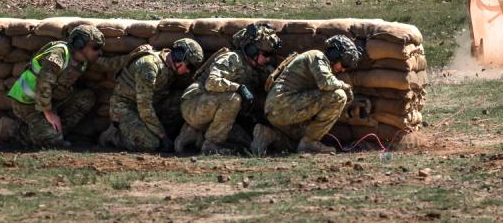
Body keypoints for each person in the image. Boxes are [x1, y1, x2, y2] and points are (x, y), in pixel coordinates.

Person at [0, 25, 132, 148]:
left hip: (52, 101)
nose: (99, 52)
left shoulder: (82, 59)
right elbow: (44, 84)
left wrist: (133, 56)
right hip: (27, 103)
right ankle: (10, 129)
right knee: (52, 143)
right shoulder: (58, 55)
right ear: (80, 44)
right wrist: (48, 113)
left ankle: (56, 131)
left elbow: (107, 64)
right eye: (95, 47)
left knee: (87, 97)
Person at [175, 24, 281, 154]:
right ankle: (211, 144)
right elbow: (211, 83)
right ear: (251, 50)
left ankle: (192, 133)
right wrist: (239, 88)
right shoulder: (232, 59)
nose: (268, 59)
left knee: (244, 142)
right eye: (266, 54)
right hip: (193, 103)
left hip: (209, 108)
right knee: (233, 99)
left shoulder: (254, 67)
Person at [253, 35, 361, 154]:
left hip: (279, 110)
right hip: (284, 105)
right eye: (344, 64)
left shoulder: (320, 63)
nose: (343, 69)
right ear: (335, 54)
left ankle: (268, 134)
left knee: (299, 140)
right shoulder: (317, 56)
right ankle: (309, 143)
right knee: (339, 96)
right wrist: (344, 86)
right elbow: (326, 83)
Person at [98, 38, 203, 152]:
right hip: (125, 107)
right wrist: (162, 135)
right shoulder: (149, 66)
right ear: (179, 56)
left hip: (149, 105)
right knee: (151, 144)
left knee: (182, 99)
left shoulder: (168, 66)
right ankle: (113, 137)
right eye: (189, 66)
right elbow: (145, 107)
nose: (188, 71)